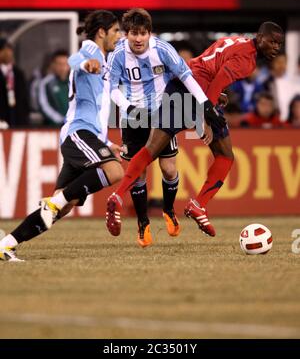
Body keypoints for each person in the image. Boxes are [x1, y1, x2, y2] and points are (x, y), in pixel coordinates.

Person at [106, 21, 284, 238]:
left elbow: (211, 65)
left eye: (279, 44)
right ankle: (198, 204)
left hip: (179, 84)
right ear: (260, 37)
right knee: (225, 156)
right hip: (197, 92)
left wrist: (215, 96)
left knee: (151, 149)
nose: (276, 47)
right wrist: (207, 116)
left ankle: (117, 195)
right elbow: (218, 79)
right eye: (272, 41)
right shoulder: (248, 60)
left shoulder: (237, 40)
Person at [0, 10, 124, 262]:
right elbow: (74, 59)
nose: (118, 36)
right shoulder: (90, 51)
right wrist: (85, 64)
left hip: (88, 135)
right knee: (115, 172)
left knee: (63, 207)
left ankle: (7, 244)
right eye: (116, 31)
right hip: (78, 132)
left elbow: (95, 109)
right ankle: (55, 201)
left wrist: (108, 143)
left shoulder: (103, 59)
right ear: (102, 32)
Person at [109, 9, 189, 247]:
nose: (138, 38)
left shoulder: (162, 49)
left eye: (143, 33)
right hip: (132, 119)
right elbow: (111, 87)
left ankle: (168, 209)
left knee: (168, 168)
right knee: (139, 172)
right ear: (126, 34)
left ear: (149, 33)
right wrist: (128, 107)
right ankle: (143, 224)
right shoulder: (118, 54)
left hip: (161, 114)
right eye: (134, 33)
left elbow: (185, 75)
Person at [0, 38, 30, 128]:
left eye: (10, 50)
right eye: (5, 50)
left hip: (18, 121)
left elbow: (24, 98)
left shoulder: (18, 73)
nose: (9, 53)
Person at [38, 50, 70, 127]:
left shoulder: (74, 82)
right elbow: (44, 105)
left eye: (65, 64)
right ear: (53, 65)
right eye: (59, 64)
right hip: (53, 128)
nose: (62, 68)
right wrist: (61, 120)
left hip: (72, 128)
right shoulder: (46, 83)